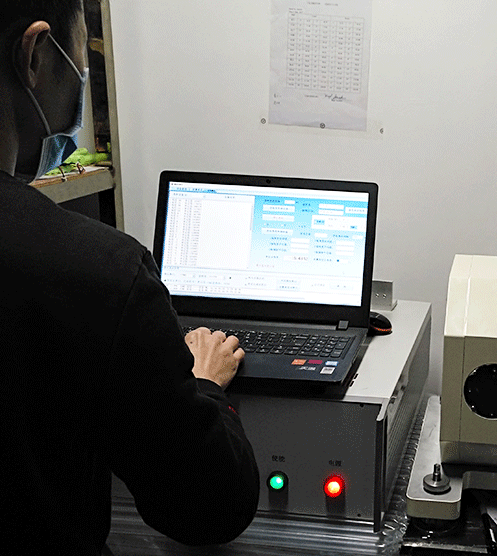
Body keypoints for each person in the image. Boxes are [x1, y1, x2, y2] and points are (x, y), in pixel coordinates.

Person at [0, 1, 260, 554]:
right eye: (82, 49)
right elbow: (209, 506)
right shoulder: (98, 274)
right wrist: (203, 386)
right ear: (36, 55)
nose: (83, 69)